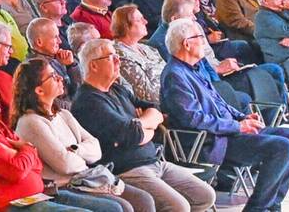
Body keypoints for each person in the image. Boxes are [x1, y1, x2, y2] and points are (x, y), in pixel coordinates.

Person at [159, 19, 289, 212]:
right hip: (209, 142)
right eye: (201, 38)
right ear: (186, 43)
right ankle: (256, 209)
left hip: (227, 132)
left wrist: (242, 117)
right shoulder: (175, 75)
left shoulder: (195, 68)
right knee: (281, 147)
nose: (205, 42)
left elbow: (219, 103)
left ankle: (272, 204)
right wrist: (238, 126)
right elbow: (193, 119)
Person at [72, 38, 216, 212]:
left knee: (205, 195)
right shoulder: (88, 101)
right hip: (128, 170)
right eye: (111, 57)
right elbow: (133, 134)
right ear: (93, 66)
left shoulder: (117, 89)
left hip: (155, 160)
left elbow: (155, 109)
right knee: (179, 206)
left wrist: (141, 125)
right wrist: (144, 127)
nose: (118, 60)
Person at [0, 67, 91, 212]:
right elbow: (17, 169)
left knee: (111, 207)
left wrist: (24, 153)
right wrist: (26, 149)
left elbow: (36, 164)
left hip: (37, 198)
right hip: (9, 207)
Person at [12, 58, 149, 212]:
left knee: (144, 200)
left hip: (85, 178)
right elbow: (65, 164)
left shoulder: (63, 114)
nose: (61, 78)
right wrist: (81, 156)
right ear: (39, 90)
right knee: (119, 208)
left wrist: (75, 150)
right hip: (62, 187)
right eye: (53, 76)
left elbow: (96, 148)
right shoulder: (31, 123)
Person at [111, 5, 167, 105]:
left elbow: (170, 74)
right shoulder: (120, 55)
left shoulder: (148, 48)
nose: (145, 22)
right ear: (125, 26)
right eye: (139, 20)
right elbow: (148, 95)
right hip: (160, 108)